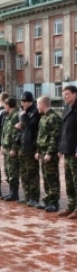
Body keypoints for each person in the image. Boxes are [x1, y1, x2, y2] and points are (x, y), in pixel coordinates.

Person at [35, 96, 62, 212]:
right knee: (46, 177)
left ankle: (54, 202)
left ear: (42, 104)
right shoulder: (43, 118)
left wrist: (50, 152)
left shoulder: (54, 118)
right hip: (42, 152)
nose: (37, 107)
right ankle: (48, 199)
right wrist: (38, 151)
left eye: (38, 104)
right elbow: (41, 136)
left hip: (49, 153)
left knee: (52, 177)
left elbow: (54, 137)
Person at [15, 91, 41, 207]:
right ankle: (27, 197)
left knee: (32, 173)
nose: (23, 103)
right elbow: (24, 127)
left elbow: (31, 126)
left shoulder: (35, 112)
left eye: (25, 101)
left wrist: (23, 117)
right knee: (24, 173)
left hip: (32, 146)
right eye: (22, 101)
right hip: (23, 145)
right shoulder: (23, 112)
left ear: (30, 101)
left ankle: (34, 197)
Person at [58, 85, 77, 219]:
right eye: (63, 94)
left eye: (67, 94)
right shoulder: (65, 108)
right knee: (69, 180)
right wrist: (60, 148)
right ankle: (71, 205)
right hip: (66, 149)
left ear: (75, 94)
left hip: (75, 150)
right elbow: (63, 130)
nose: (65, 96)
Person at [0, 97, 20, 201]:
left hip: (12, 148)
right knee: (8, 171)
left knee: (13, 171)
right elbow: (5, 133)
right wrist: (3, 146)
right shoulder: (8, 116)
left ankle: (14, 193)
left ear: (8, 105)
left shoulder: (16, 115)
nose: (4, 107)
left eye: (4, 105)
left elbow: (16, 134)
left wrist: (13, 148)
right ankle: (11, 191)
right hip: (7, 147)